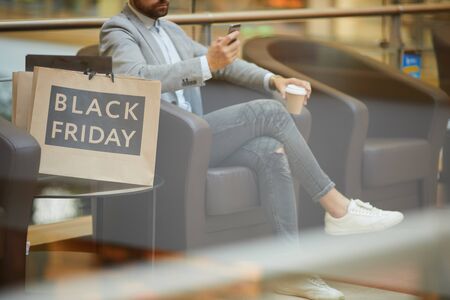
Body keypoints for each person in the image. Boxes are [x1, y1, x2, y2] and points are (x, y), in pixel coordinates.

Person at [100, 1, 404, 299]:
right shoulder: (118, 30)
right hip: (167, 143)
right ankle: (338, 208)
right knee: (269, 112)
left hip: (198, 136)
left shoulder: (171, 30)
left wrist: (273, 79)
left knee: (270, 151)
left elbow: (228, 66)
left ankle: (290, 273)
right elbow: (135, 78)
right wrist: (207, 63)